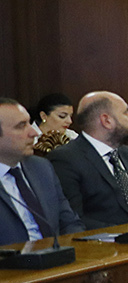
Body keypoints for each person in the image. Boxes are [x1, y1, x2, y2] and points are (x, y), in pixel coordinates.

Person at [48, 91, 128, 227]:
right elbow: (73, 219)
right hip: (108, 238)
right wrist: (127, 232)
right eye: (126, 112)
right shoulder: (66, 160)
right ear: (106, 121)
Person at [0, 97, 83, 243]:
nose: (33, 132)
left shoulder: (41, 167)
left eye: (29, 123)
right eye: (21, 126)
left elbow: (70, 222)